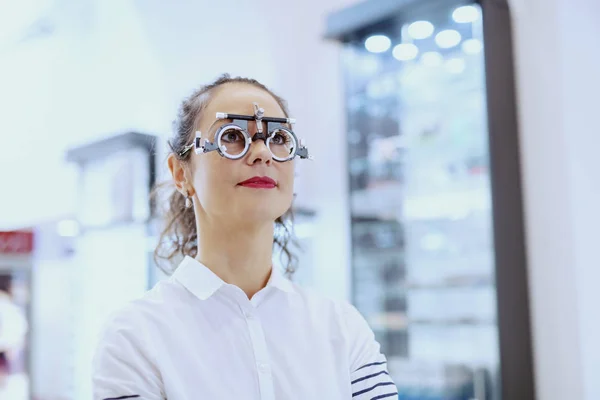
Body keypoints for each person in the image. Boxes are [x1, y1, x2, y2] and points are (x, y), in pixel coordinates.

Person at [92, 74, 398, 400]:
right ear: (182, 173)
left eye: (279, 138)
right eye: (233, 136)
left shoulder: (342, 328)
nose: (263, 153)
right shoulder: (135, 337)